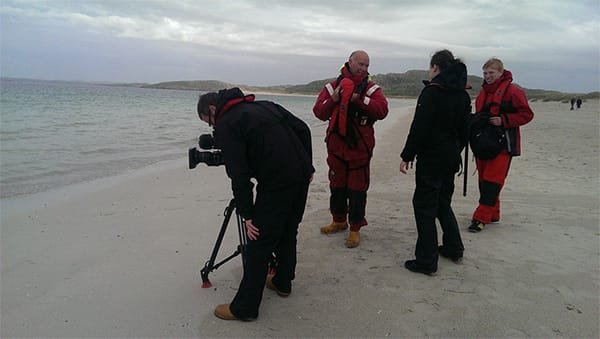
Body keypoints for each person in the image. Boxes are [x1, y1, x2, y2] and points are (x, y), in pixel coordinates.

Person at [197, 87, 314, 321]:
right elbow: (303, 128)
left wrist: (247, 215)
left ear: (212, 109)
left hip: (277, 182)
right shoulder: (263, 106)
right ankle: (282, 282)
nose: (212, 128)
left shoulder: (227, 123)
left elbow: (239, 176)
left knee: (258, 243)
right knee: (288, 231)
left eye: (209, 122)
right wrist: (308, 165)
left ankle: (245, 308)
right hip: (300, 175)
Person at [399, 50, 470, 275]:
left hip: (432, 158)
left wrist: (407, 155)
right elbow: (465, 131)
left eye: (430, 68)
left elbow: (420, 127)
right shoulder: (462, 94)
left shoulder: (432, 92)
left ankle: (426, 260)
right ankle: (453, 248)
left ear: (436, 68)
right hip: (451, 158)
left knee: (424, 207)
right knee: (442, 203)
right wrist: (452, 150)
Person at [313, 50, 389, 248]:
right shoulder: (332, 87)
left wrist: (358, 99)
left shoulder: (371, 89)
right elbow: (319, 112)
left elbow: (382, 110)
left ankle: (355, 229)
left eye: (366, 66)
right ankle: (338, 221)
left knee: (357, 189)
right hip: (337, 146)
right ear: (349, 62)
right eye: (360, 64)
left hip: (360, 148)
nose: (363, 69)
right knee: (336, 185)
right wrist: (335, 99)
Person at [467, 58, 534, 232]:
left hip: (504, 143)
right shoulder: (483, 93)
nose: (488, 76)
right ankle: (493, 214)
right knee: (484, 180)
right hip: (483, 143)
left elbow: (527, 114)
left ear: (501, 72)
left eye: (491, 73)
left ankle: (480, 218)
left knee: (492, 181)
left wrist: (504, 120)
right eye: (485, 73)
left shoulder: (513, 91)